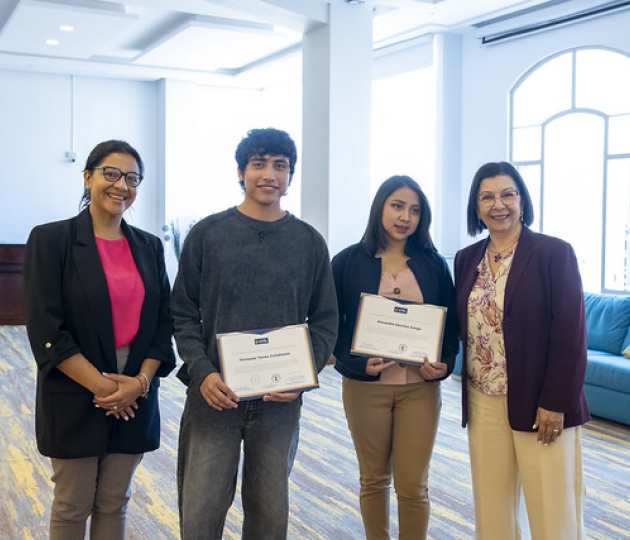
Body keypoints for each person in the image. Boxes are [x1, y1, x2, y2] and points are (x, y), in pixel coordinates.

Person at [171, 127, 338, 540]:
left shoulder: (309, 242)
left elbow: (324, 320)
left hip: (279, 402)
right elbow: (182, 311)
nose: (269, 174)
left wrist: (304, 377)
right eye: (259, 164)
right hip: (214, 396)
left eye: (280, 166)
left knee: (269, 516)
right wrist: (202, 371)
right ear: (241, 172)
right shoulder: (208, 234)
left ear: (290, 175)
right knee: (201, 513)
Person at [23, 139, 176, 539]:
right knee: (73, 503)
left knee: (114, 499)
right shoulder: (51, 240)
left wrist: (139, 384)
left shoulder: (149, 246)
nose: (121, 185)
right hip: (76, 386)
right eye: (111, 173)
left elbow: (164, 323)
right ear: (88, 177)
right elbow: (46, 330)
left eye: (132, 177)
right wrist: (107, 388)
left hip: (137, 389)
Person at [454, 161, 591, 539]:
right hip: (483, 399)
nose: (499, 205)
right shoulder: (467, 259)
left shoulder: (553, 253)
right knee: (492, 503)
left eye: (507, 194)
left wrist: (556, 402)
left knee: (551, 505)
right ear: (476, 206)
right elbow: (461, 326)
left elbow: (570, 332)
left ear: (522, 200)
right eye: (487, 197)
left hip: (541, 403)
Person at [331, 175, 459, 540]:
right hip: (365, 388)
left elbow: (450, 330)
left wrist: (445, 365)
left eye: (415, 210)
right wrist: (355, 363)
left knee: (413, 484)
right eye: (398, 206)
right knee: (373, 479)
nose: (406, 217)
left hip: (419, 389)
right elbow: (332, 328)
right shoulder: (347, 262)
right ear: (380, 208)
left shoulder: (433, 264)